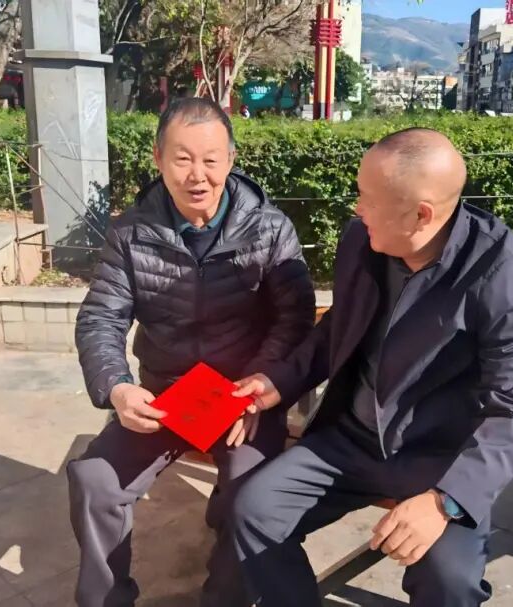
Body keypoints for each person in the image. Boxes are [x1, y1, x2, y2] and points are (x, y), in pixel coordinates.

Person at [230, 128, 513, 607]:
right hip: (349, 441)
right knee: (253, 511)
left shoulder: (505, 277)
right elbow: (339, 326)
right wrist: (280, 380)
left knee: (449, 578)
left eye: (368, 198)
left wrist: (446, 500)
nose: (357, 208)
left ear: (421, 214)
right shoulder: (363, 239)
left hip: (438, 458)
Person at [69, 97, 315, 607]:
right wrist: (117, 387)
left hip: (242, 399)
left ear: (231, 160)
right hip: (166, 397)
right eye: (182, 159)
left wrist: (259, 384)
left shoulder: (269, 229)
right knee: (94, 479)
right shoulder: (131, 232)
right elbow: (100, 318)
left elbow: (293, 319)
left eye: (210, 159)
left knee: (252, 496)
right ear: (158, 159)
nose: (197, 175)